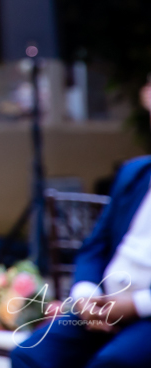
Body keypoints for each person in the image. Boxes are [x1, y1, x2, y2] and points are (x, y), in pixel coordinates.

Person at [9, 90, 151, 368]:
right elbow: (94, 247)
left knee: (112, 363)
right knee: (29, 355)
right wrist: (86, 296)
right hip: (99, 305)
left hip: (145, 312)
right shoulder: (135, 174)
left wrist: (135, 305)